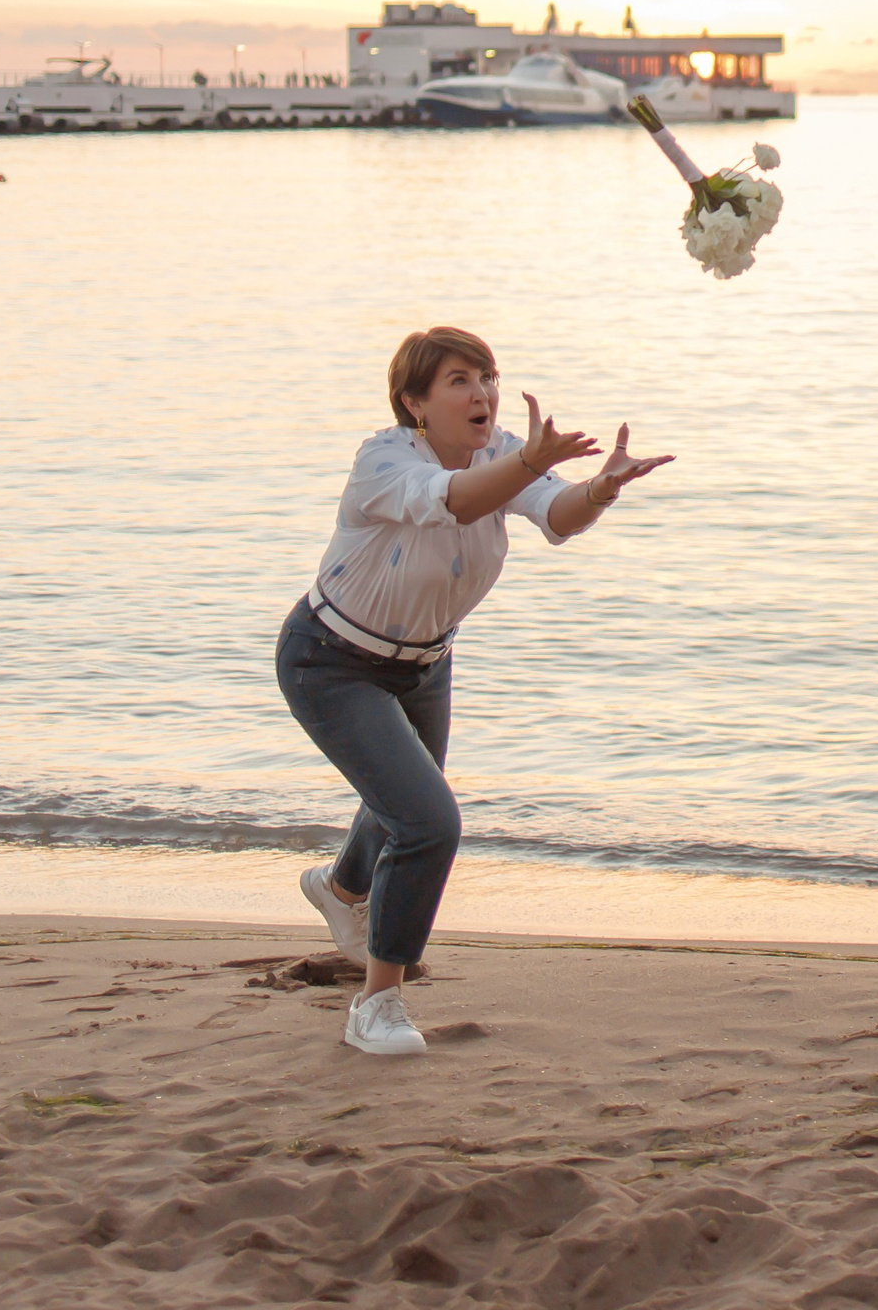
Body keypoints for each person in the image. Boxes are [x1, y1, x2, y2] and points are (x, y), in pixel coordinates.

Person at [277, 326, 673, 1055]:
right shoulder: (384, 460)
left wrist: (599, 490)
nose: (482, 392)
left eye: (487, 376)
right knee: (429, 821)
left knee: (403, 799)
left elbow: (556, 515)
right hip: (330, 659)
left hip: (425, 662)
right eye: (459, 380)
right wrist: (527, 461)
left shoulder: (500, 457)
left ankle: (338, 891)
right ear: (415, 403)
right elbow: (455, 502)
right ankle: (377, 1004)